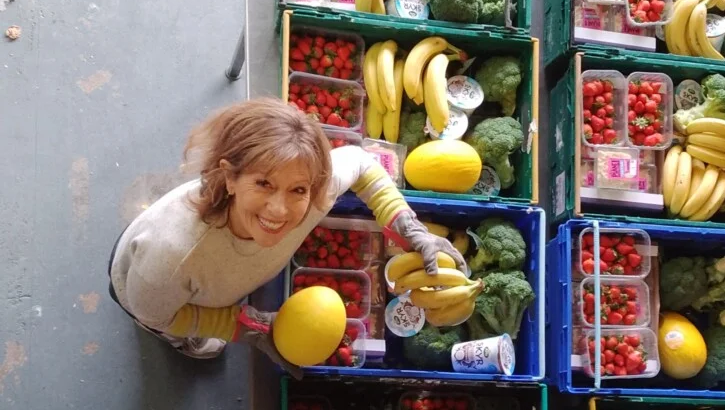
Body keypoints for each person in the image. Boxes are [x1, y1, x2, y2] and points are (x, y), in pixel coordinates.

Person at [108, 98, 465, 373]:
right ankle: (185, 344)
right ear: (230, 178)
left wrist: (407, 225)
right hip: (143, 288)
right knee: (177, 329)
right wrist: (246, 327)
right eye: (263, 183)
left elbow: (361, 163)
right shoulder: (174, 256)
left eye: (297, 190)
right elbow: (153, 314)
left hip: (215, 283)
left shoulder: (316, 193)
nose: (279, 210)